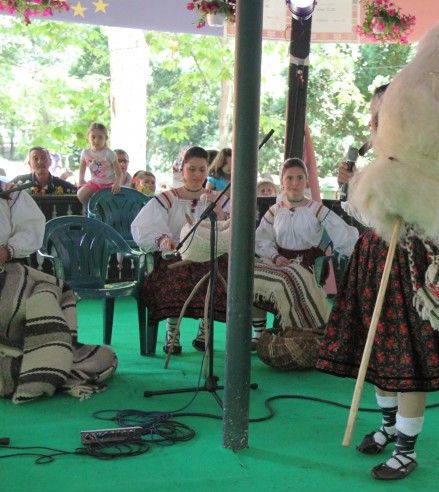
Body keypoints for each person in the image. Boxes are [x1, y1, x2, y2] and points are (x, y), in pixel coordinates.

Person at [318, 17, 439, 481]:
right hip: (373, 265)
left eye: (381, 114)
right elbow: (362, 215)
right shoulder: (379, 165)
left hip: (413, 270)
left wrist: (419, 221)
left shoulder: (435, 168)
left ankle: (407, 448)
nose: (375, 122)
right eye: (374, 115)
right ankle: (389, 426)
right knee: (379, 353)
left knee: (407, 357)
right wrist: (365, 196)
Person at [0, 184, 116, 402]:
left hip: (9, 271)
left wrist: (7, 250)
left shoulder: (11, 194)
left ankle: (44, 360)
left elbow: (31, 228)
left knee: (46, 295)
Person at [131, 146, 230, 354]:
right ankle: (172, 333)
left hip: (208, 255)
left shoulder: (219, 198)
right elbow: (143, 227)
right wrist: (164, 240)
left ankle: (205, 331)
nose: (197, 174)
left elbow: (231, 228)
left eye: (202, 170)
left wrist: (220, 213)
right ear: (181, 170)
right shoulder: (167, 198)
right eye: (191, 169)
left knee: (217, 272)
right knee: (175, 276)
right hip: (176, 256)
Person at [252, 158, 359, 348]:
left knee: (286, 280)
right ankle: (258, 333)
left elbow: (343, 234)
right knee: (251, 277)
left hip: (307, 264)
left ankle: (293, 332)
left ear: (306, 181)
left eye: (300, 178)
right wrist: (275, 256)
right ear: (282, 181)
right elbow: (261, 239)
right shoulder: (275, 211)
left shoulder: (316, 209)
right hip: (278, 260)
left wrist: (353, 252)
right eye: (289, 178)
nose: (295, 183)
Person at [77, 122, 120, 205]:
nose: (96, 140)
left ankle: (102, 210)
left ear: (105, 138)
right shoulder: (85, 153)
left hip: (109, 184)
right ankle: (91, 209)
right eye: (93, 137)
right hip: (95, 182)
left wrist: (117, 183)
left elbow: (119, 173)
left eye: (100, 137)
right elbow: (82, 168)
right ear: (88, 137)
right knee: (80, 194)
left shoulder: (109, 153)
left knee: (108, 203)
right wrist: (81, 180)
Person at [10, 147, 76, 195]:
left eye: (44, 158)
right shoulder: (19, 182)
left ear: (50, 162)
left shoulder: (63, 185)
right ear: (30, 163)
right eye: (35, 159)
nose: (40, 162)